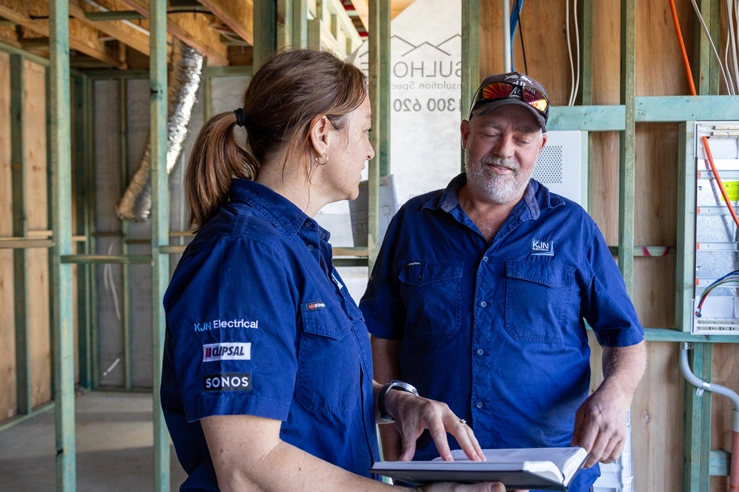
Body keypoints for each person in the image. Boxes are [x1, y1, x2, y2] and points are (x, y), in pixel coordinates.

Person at [161, 49, 504, 492]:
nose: (369, 149)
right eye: (364, 131)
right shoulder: (242, 258)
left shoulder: (298, 246)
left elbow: (308, 386)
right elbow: (248, 468)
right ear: (321, 133)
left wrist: (393, 400)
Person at [360, 72, 647, 492]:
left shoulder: (572, 228)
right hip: (439, 471)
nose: (504, 150)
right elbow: (382, 337)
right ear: (465, 133)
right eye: (491, 132)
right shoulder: (412, 224)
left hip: (549, 473)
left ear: (541, 148)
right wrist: (395, 444)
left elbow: (626, 337)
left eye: (523, 138)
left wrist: (617, 392)